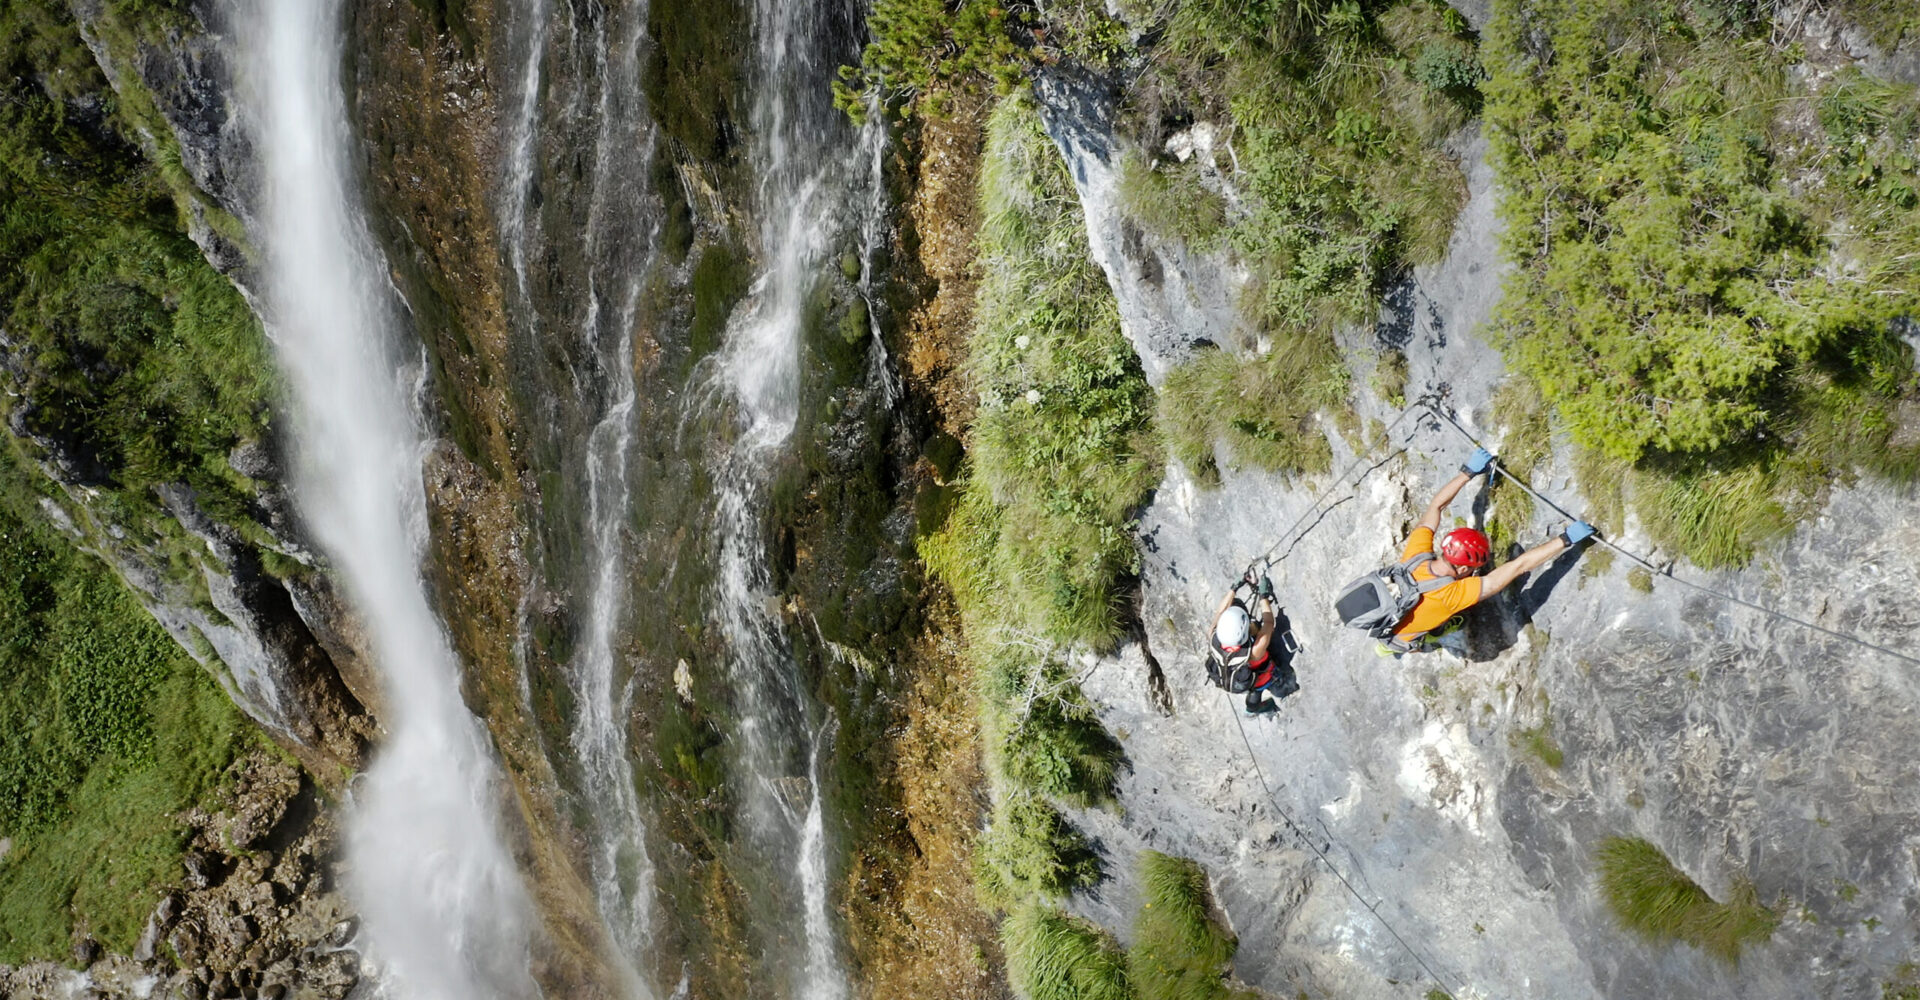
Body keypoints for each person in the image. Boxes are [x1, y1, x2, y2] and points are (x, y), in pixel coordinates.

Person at [1385, 447, 1594, 653]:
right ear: (1463, 569)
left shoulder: (1415, 556)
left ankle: (1388, 644)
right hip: (1402, 641)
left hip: (1385, 617)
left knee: (1391, 639)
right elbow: (1518, 566)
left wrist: (1468, 472)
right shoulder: (1451, 596)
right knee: (1437, 630)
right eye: (1473, 569)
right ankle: (1433, 637)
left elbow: (1436, 507)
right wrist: (1566, 539)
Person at [1210, 575, 1288, 716]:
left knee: (1254, 688)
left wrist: (1234, 588)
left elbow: (1220, 612)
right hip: (1260, 678)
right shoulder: (1254, 652)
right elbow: (1269, 623)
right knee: (1258, 686)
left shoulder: (1213, 636)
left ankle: (1251, 710)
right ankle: (1260, 703)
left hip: (1234, 678)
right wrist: (1263, 596)